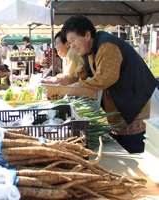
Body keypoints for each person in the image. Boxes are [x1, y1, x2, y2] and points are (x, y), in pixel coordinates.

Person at [53, 15, 158, 153]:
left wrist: (77, 84)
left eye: (73, 40)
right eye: (69, 42)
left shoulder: (107, 45)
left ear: (87, 34)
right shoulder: (88, 50)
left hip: (133, 103)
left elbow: (103, 79)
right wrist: (60, 81)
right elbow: (81, 73)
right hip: (117, 106)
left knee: (133, 150)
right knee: (120, 146)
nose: (71, 46)